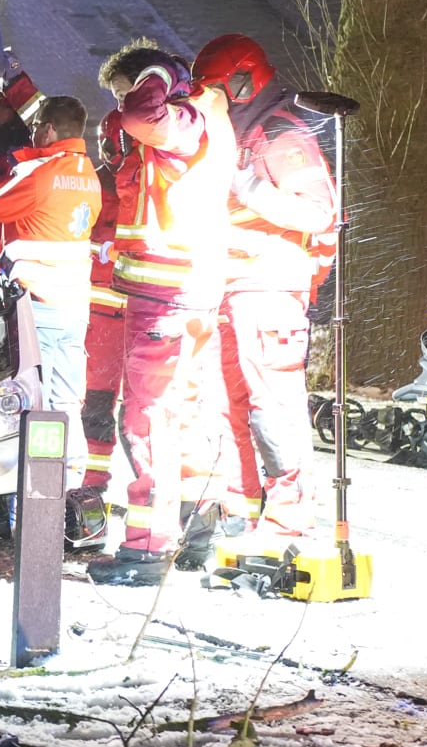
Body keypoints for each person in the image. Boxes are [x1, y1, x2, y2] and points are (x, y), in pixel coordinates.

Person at [92, 39, 237, 585]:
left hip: (168, 294)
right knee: (188, 415)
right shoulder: (198, 122)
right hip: (188, 292)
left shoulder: (183, 120)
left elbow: (140, 115)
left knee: (146, 423)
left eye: (122, 90)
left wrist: (158, 74)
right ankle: (198, 529)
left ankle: (147, 550)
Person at [192, 34, 338, 541]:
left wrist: (245, 186)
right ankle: (242, 504)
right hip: (230, 287)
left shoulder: (280, 133)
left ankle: (290, 511)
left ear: (241, 81)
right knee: (226, 401)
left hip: (269, 287)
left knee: (272, 404)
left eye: (214, 89)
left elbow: (320, 214)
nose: (207, 100)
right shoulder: (238, 136)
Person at [0, 85, 101, 492]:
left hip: (40, 304)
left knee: (37, 403)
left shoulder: (41, 174)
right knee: (67, 401)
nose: (32, 134)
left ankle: (40, 497)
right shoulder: (88, 175)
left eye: (35, 128)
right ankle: (70, 489)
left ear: (48, 130)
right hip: (74, 306)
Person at [80, 109, 132, 500]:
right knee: (95, 410)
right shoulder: (95, 186)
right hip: (103, 323)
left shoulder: (153, 182)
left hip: (142, 320)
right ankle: (89, 490)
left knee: (148, 418)